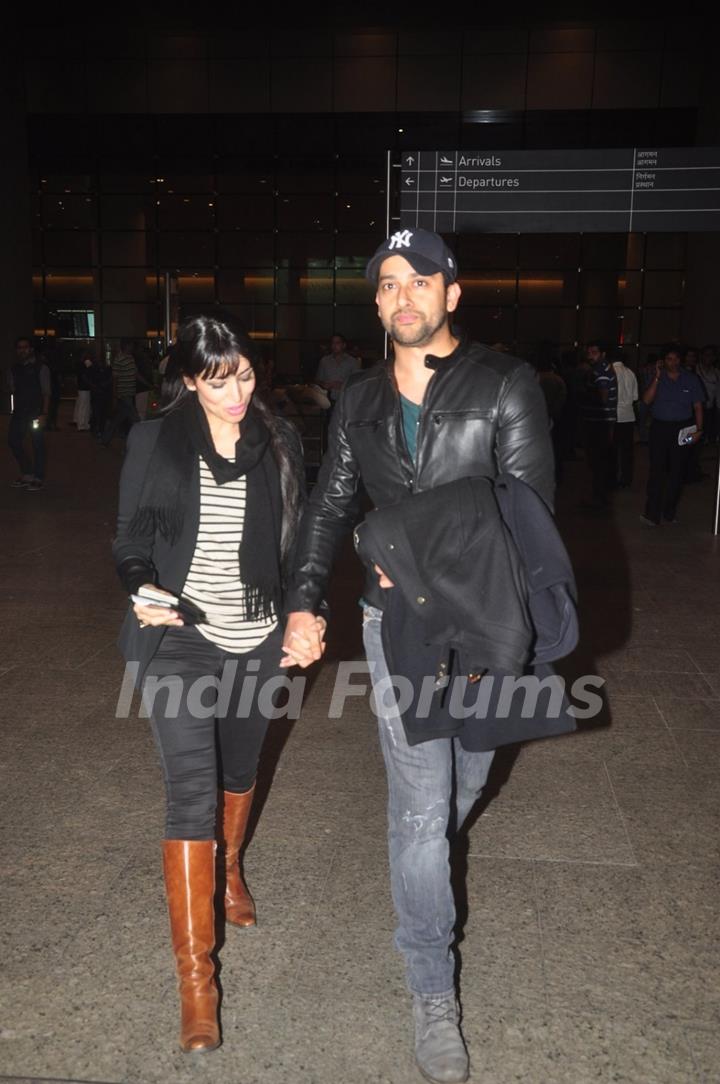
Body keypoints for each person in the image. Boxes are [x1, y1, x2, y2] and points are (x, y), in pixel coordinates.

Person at [282, 228, 554, 1084]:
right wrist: (301, 601)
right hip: (391, 625)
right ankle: (432, 987)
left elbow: (527, 511)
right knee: (420, 807)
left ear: (452, 294)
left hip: (483, 624)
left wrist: (397, 537)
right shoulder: (359, 400)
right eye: (389, 285)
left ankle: (423, 867)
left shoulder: (506, 384)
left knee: (466, 784)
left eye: (420, 282)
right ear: (375, 303)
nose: (405, 297)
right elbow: (329, 507)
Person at [111, 313, 321, 1054]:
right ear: (191, 379)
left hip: (256, 639)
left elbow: (301, 547)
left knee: (240, 769)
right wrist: (142, 585)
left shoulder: (280, 442)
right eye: (218, 379)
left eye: (246, 375)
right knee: (190, 792)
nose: (237, 393)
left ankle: (229, 866)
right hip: (179, 640)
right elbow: (130, 539)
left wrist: (305, 612)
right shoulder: (155, 440)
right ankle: (197, 984)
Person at [640, 344, 705, 526]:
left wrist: (699, 430)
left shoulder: (691, 379)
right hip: (660, 428)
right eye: (669, 359)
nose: (673, 362)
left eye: (676, 358)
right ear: (663, 360)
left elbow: (698, 406)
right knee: (657, 471)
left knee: (677, 472)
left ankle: (669, 511)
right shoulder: (657, 378)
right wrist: (657, 377)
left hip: (682, 428)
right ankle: (652, 513)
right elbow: (646, 400)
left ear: (681, 360)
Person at [7, 336, 50, 491]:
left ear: (31, 349)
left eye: (25, 347)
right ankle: (27, 472)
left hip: (35, 413)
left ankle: (37, 476)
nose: (22, 350)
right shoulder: (14, 369)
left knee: (37, 443)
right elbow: (12, 390)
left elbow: (46, 392)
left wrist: (44, 413)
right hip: (19, 412)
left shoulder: (41, 368)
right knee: (13, 440)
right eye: (19, 347)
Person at [579, 341, 617, 510]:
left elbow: (601, 396)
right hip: (602, 421)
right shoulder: (604, 368)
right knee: (599, 461)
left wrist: (584, 397)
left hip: (598, 422)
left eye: (594, 352)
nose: (590, 355)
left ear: (602, 354)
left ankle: (598, 498)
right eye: (589, 352)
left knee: (596, 461)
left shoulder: (600, 370)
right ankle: (599, 497)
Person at [609, 348, 638, 488]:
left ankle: (612, 477)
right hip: (629, 416)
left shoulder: (610, 372)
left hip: (614, 416)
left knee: (612, 449)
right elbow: (635, 397)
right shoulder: (630, 372)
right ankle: (626, 478)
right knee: (627, 450)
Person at [102, 338, 139, 445]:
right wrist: (115, 395)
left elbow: (136, 374)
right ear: (126, 346)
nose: (132, 347)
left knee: (117, 419)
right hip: (124, 394)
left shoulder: (131, 358)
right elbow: (115, 379)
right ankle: (138, 442)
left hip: (130, 393)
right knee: (135, 419)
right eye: (131, 345)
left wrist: (148, 384)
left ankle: (105, 439)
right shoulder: (119, 359)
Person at [315, 333, 360, 405]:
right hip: (327, 400)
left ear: (344, 345)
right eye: (332, 343)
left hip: (346, 401)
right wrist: (324, 384)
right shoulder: (324, 361)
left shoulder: (352, 362)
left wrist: (342, 385)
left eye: (337, 343)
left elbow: (358, 382)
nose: (334, 346)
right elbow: (317, 380)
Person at [73, 351, 94, 431]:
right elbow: (84, 376)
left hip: (83, 388)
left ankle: (84, 424)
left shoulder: (80, 364)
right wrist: (91, 384)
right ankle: (81, 425)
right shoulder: (84, 364)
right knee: (84, 407)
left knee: (84, 406)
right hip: (84, 388)